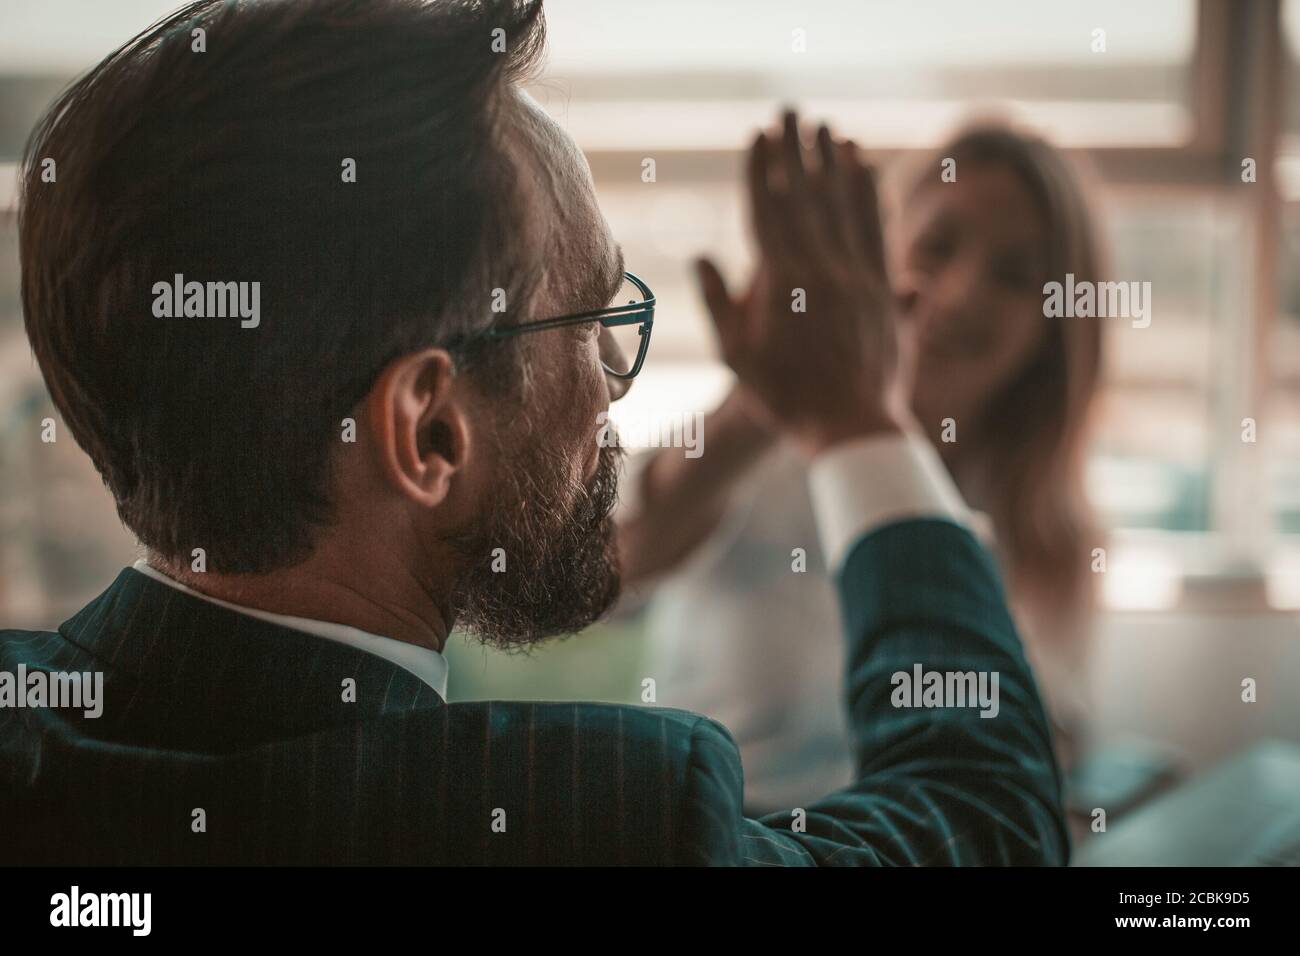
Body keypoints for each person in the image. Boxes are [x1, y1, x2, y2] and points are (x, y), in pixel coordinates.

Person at [1, 0, 1066, 865]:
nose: (612, 383)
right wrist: (854, 416)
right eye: (592, 324)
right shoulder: (603, 818)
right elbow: (991, 824)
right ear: (429, 432)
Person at [620, 123, 1105, 813]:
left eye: (1015, 275)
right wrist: (766, 400)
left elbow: (1043, 755)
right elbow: (616, 561)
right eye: (937, 247)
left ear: (1055, 326)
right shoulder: (760, 450)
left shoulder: (1051, 530)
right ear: (877, 256)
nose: (963, 294)